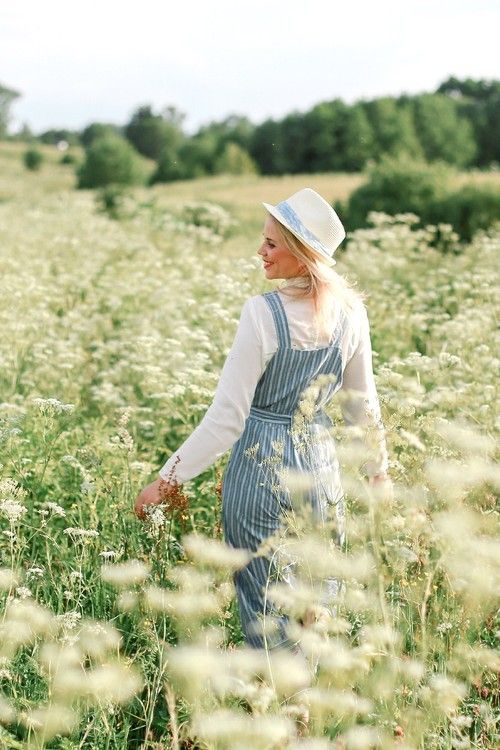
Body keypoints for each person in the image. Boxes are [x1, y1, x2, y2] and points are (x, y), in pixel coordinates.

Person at [134, 187, 392, 649]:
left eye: (271, 244)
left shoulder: (261, 314)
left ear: (299, 252)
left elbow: (227, 420)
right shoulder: (352, 313)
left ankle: (279, 710)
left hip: (259, 470)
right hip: (320, 468)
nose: (261, 251)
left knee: (264, 608)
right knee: (317, 606)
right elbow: (361, 405)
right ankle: (308, 711)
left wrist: (166, 481)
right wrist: (379, 474)